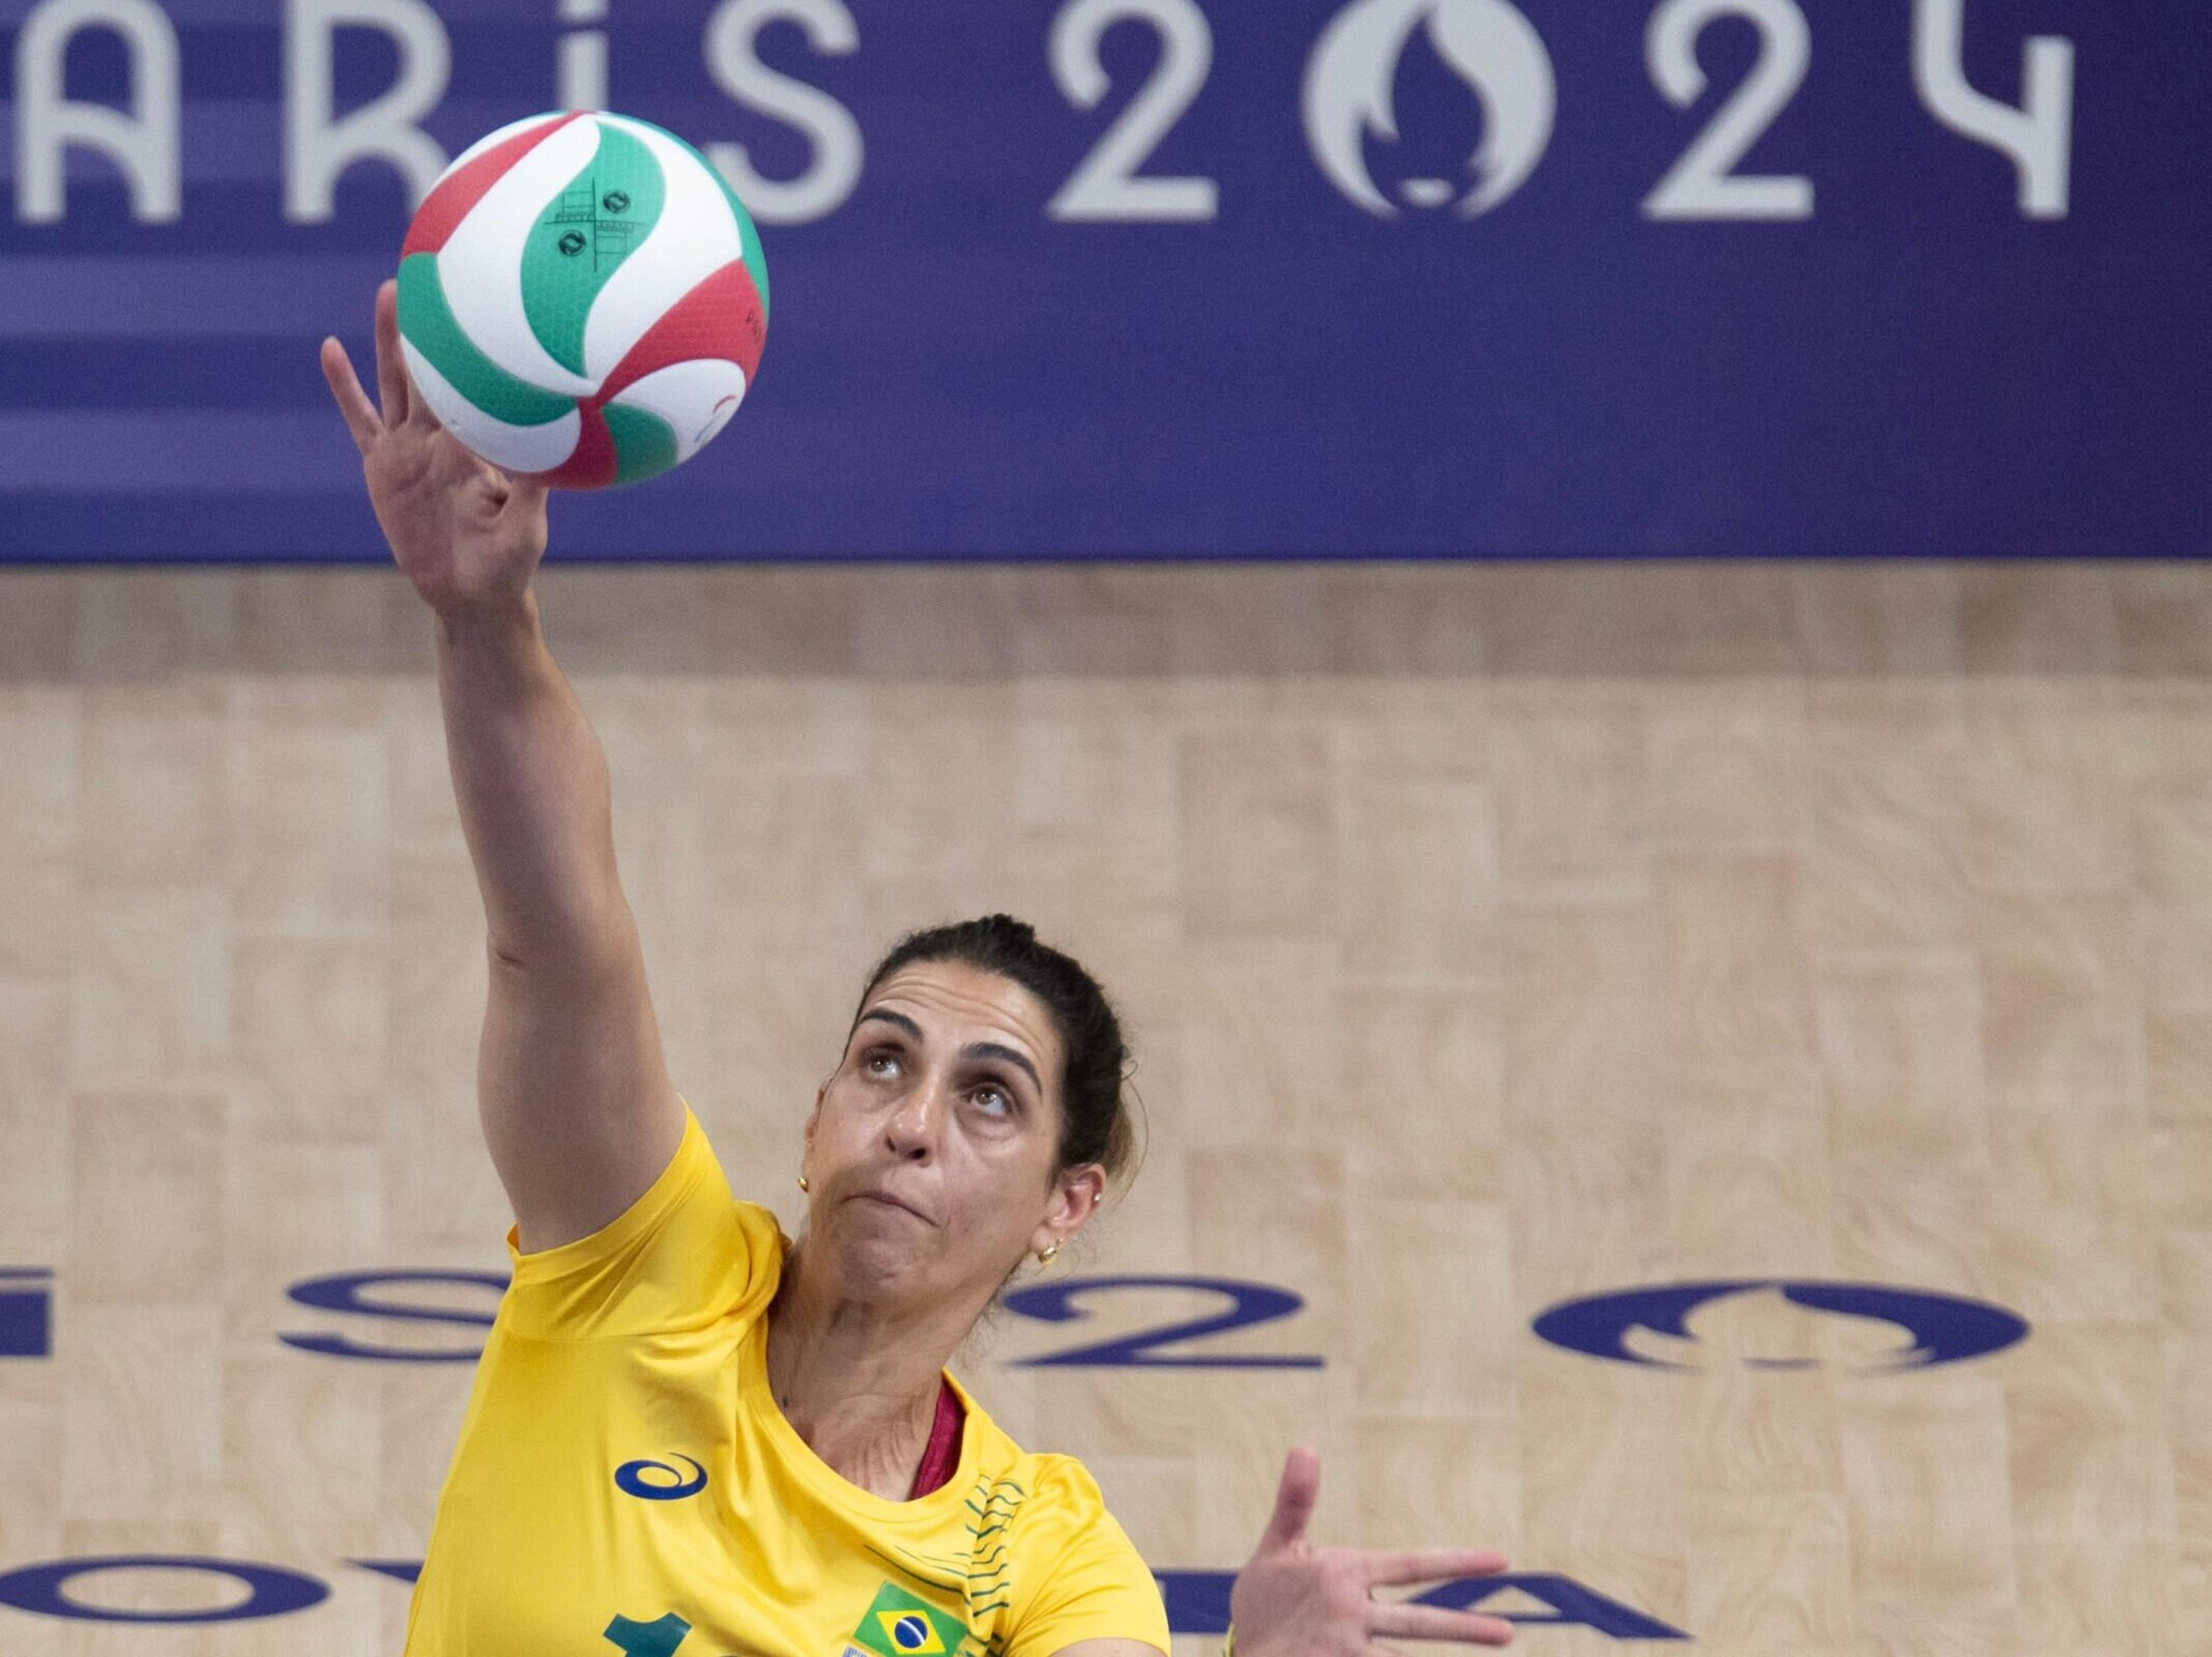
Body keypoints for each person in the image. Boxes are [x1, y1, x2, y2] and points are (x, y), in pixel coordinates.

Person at [322, 282, 1525, 1657]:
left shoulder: (1047, 1554)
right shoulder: (640, 1271)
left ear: (1067, 1204)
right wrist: (484, 625)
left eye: (990, 1098)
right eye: (884, 1063)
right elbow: (558, 937)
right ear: (815, 1121)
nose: (911, 1123)